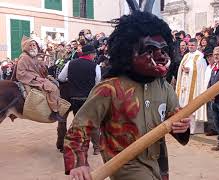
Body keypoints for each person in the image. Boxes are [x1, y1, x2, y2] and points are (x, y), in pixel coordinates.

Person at [63, 10, 190, 180]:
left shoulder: (164, 88)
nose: (161, 55)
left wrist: (181, 127)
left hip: (158, 165)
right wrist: (79, 163)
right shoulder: (109, 89)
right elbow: (80, 126)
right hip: (124, 165)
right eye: (150, 49)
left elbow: (174, 121)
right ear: (127, 52)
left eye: (164, 49)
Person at [58, 44, 102, 155]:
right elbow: (97, 84)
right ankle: (97, 147)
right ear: (91, 54)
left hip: (71, 98)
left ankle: (62, 144)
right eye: (94, 54)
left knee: (63, 121)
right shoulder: (95, 66)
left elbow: (61, 78)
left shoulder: (70, 63)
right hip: (87, 99)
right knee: (92, 123)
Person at [15, 36, 64, 122]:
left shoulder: (33, 57)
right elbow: (20, 73)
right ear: (26, 47)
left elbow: (38, 70)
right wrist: (36, 77)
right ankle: (54, 112)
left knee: (53, 81)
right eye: (30, 45)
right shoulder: (24, 57)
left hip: (37, 77)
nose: (33, 47)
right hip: (30, 79)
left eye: (34, 45)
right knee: (53, 88)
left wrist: (42, 66)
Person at [176, 38, 208, 134]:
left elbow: (201, 72)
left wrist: (190, 71)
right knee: (183, 105)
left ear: (196, 45)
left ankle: (194, 129)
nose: (190, 47)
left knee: (192, 106)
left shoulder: (200, 57)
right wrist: (182, 70)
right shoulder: (186, 56)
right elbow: (180, 69)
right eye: (189, 45)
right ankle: (185, 128)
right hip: (185, 85)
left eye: (192, 45)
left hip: (195, 87)